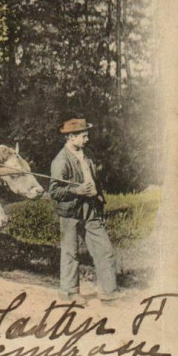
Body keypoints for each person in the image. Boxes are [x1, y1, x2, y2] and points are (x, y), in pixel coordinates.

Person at [49, 118, 120, 303]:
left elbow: (94, 179)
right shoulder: (60, 161)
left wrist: (98, 197)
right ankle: (69, 292)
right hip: (70, 211)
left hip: (91, 209)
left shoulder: (87, 154)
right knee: (70, 252)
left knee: (104, 249)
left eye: (86, 135)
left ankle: (108, 290)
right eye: (83, 136)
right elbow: (54, 191)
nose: (87, 139)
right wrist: (76, 190)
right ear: (71, 137)